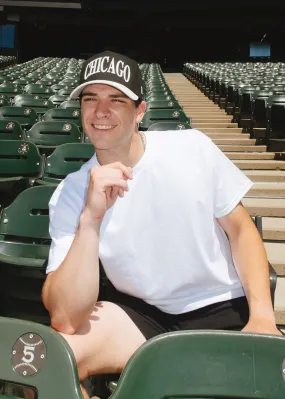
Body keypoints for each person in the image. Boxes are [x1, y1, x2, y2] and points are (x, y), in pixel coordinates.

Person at [42, 50, 282, 394]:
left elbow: (242, 231)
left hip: (222, 307)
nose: (101, 111)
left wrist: (262, 315)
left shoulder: (192, 148)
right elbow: (64, 317)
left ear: (140, 110)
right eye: (90, 98)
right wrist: (91, 220)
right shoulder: (71, 192)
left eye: (117, 100)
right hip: (141, 315)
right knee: (53, 360)